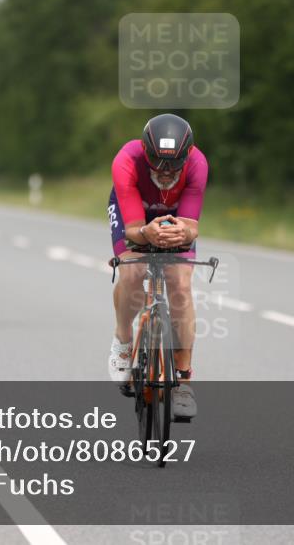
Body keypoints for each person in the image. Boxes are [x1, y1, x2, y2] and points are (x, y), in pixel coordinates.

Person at [107, 113, 208, 419]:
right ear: (146, 152)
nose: (165, 173)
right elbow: (135, 229)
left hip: (176, 215)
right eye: (158, 164)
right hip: (134, 211)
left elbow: (191, 225)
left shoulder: (198, 164)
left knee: (180, 284)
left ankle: (183, 380)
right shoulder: (126, 160)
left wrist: (184, 232)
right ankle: (123, 341)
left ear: (187, 155)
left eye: (173, 165)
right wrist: (145, 233)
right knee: (133, 271)